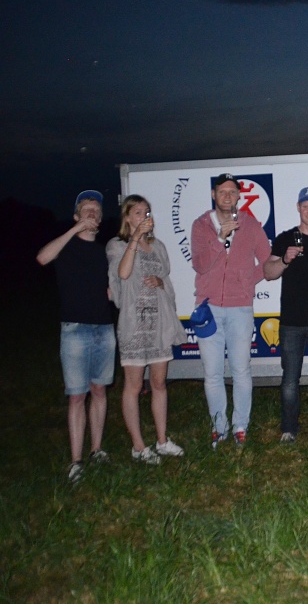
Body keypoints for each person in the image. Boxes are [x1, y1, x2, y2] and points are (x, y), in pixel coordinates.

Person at [37, 190, 116, 483]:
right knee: (76, 396)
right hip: (74, 330)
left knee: (99, 390)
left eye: (96, 210)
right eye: (86, 210)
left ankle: (96, 449)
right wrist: (74, 230)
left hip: (104, 328)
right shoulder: (65, 246)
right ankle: (76, 461)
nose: (92, 213)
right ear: (76, 216)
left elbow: (113, 286)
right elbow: (42, 258)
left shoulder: (105, 251)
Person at [191, 173, 271, 448]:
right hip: (208, 308)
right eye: (222, 191)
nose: (227, 196)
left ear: (239, 196)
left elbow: (267, 261)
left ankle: (240, 426)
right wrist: (219, 238)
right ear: (213, 195)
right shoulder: (201, 225)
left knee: (241, 370)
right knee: (213, 373)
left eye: (232, 192)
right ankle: (219, 427)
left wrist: (246, 281)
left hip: (240, 308)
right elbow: (200, 265)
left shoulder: (250, 225)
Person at [107, 195, 187, 465]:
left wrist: (160, 283)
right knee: (133, 385)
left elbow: (165, 278)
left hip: (158, 323)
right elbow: (123, 274)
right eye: (138, 212)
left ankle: (162, 441)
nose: (144, 216)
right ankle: (138, 446)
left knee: (159, 383)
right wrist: (134, 239)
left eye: (147, 212)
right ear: (127, 217)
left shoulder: (158, 246)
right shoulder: (117, 245)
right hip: (134, 324)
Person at [264, 187, 308, 444]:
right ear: (298, 208)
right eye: (305, 206)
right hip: (291, 323)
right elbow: (268, 273)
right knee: (289, 380)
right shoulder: (285, 238)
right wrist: (285, 260)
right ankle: (288, 428)